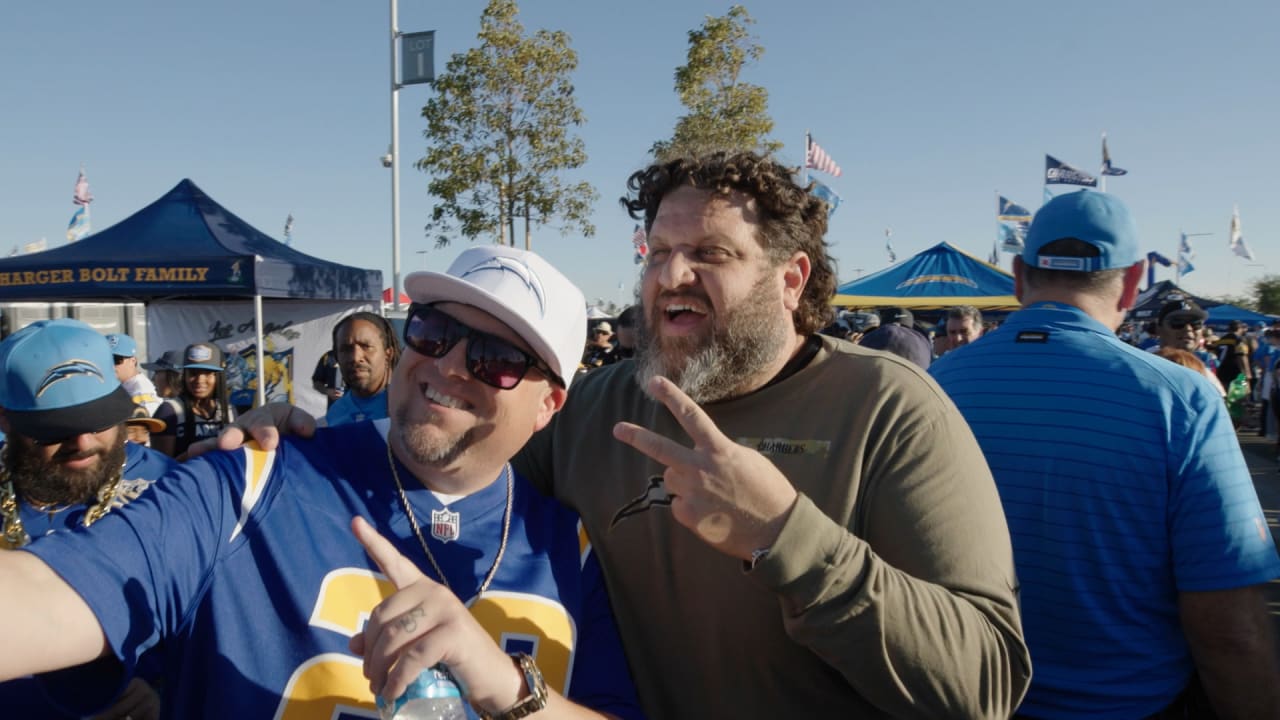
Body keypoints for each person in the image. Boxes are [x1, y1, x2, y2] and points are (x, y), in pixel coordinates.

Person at [207, 151, 1030, 718]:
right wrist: (296, 443)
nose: (671, 275)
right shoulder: (596, 406)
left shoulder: (888, 408)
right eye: (659, 251)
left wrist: (789, 538)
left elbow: (987, 681)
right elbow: (441, 474)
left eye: (709, 252)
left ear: (791, 280)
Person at [0, 247, 640, 719]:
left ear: (550, 405)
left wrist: (505, 683)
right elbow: (46, 597)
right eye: (435, 330)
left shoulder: (566, 546)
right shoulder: (252, 478)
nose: (447, 365)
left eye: (497, 358)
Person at [930, 191, 1280, 719]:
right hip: (1129, 702)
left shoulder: (933, 385)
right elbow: (1229, 625)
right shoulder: (1180, 397)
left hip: (963, 696)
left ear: (1020, 275)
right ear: (1135, 282)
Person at [0, 319, 176, 720]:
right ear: (6, 420)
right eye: (55, 428)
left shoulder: (173, 493)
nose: (82, 442)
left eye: (98, 420)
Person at [151, 342, 235, 458]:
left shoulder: (229, 411)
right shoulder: (169, 411)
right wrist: (194, 453)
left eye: (207, 373)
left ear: (219, 377)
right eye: (193, 373)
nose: (199, 380)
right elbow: (160, 466)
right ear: (184, 375)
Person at [325, 312, 399, 426]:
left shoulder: (406, 408)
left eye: (366, 346)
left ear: (388, 354)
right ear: (337, 358)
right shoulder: (335, 412)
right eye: (346, 349)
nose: (355, 357)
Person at [1149, 299, 1225, 395]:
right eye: (1177, 323)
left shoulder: (1204, 374)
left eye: (1196, 324)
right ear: (1158, 329)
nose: (1188, 329)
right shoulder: (1143, 365)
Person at [106, 332, 162, 414]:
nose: (111, 365)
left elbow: (144, 425)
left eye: (116, 360)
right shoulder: (123, 385)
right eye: (106, 359)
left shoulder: (141, 392)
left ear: (132, 361)